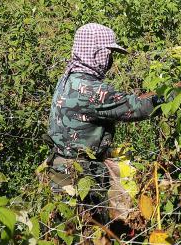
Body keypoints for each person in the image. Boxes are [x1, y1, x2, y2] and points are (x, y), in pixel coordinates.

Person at [47, 23, 159, 210]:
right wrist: (173, 95)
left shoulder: (69, 78)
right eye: (108, 53)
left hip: (60, 168)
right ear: (96, 53)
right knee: (90, 230)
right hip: (82, 174)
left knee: (67, 225)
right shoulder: (90, 89)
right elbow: (137, 108)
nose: (109, 60)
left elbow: (124, 102)